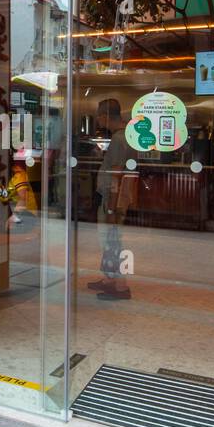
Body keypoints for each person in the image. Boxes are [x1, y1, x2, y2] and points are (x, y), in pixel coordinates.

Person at [90, 98, 135, 300]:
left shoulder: (118, 138)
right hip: (119, 196)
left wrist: (111, 207)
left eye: (99, 116)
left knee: (113, 240)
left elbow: (116, 174)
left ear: (106, 116)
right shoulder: (127, 135)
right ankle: (109, 279)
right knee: (111, 239)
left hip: (113, 198)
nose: (98, 120)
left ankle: (121, 286)